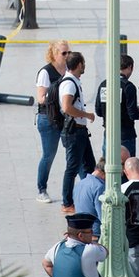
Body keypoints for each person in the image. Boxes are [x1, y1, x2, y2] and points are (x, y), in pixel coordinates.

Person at [42, 213, 107, 277]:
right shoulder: (90, 250)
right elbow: (106, 252)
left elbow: (46, 264)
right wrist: (93, 242)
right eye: (90, 232)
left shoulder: (57, 247)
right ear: (80, 235)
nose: (92, 234)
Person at [60, 51, 96, 214]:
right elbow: (67, 107)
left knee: (89, 166)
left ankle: (88, 196)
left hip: (80, 131)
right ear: (79, 65)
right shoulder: (69, 83)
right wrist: (86, 115)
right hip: (74, 132)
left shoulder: (74, 81)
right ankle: (67, 202)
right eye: (83, 63)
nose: (85, 66)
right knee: (72, 168)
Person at [36, 40, 71, 204]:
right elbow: (41, 98)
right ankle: (41, 189)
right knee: (49, 155)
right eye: (64, 53)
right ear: (54, 54)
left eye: (68, 52)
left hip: (65, 117)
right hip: (48, 118)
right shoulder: (46, 72)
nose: (67, 56)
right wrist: (58, 93)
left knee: (74, 152)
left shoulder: (69, 70)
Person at [95, 54, 139, 156]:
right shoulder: (128, 87)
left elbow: (98, 111)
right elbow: (132, 113)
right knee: (127, 167)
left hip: (108, 133)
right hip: (125, 134)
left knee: (106, 166)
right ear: (130, 67)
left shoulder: (104, 84)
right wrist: (137, 111)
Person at [73, 157, 106, 239]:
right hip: (94, 232)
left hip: (80, 228)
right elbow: (102, 215)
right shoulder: (99, 187)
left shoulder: (80, 183)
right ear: (104, 173)